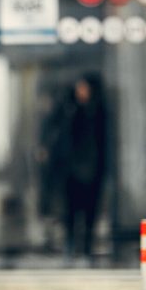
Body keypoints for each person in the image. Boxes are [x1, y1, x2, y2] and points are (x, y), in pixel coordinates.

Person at [40, 73, 109, 262]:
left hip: (91, 170)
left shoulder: (97, 111)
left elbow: (104, 142)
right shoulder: (67, 109)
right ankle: (70, 247)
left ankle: (86, 248)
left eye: (85, 88)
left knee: (89, 213)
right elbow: (52, 129)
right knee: (70, 212)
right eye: (80, 88)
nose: (82, 92)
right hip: (70, 170)